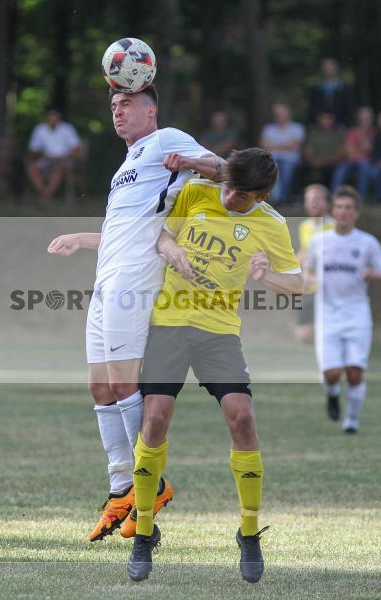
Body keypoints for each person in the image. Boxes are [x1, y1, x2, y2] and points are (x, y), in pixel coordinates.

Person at [47, 85, 225, 543]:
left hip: (136, 279)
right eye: (112, 105)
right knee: (100, 386)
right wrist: (80, 238)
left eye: (126, 104)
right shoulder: (124, 167)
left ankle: (152, 485)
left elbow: (226, 170)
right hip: (107, 278)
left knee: (125, 382)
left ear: (151, 109)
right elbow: (121, 231)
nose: (117, 112)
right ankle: (121, 488)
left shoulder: (167, 139)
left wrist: (187, 163)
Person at [126, 148, 302, 583]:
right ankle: (144, 530)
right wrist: (172, 252)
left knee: (242, 418)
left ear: (259, 198)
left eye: (240, 195)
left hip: (219, 330)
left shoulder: (272, 225)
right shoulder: (197, 191)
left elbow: (298, 285)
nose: (228, 198)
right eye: (227, 186)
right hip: (169, 321)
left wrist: (266, 278)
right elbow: (161, 235)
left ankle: (248, 532)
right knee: (155, 421)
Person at [306, 186, 381, 433]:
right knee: (332, 373)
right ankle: (332, 394)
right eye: (338, 207)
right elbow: (307, 269)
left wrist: (374, 274)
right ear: (332, 211)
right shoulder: (318, 241)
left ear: (356, 213)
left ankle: (352, 422)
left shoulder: (367, 243)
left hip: (357, 315)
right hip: (327, 316)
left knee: (355, 372)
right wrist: (306, 279)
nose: (342, 212)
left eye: (348, 208)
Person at [294, 184, 334, 343]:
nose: (313, 203)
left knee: (326, 333)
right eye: (309, 200)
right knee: (303, 336)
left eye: (317, 200)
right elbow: (304, 253)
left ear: (327, 203)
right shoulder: (304, 227)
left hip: (328, 289)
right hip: (309, 287)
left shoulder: (336, 228)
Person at [25, 108, 82, 203]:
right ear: (46, 119)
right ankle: (44, 194)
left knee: (58, 170)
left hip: (63, 159)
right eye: (50, 119)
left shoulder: (67, 129)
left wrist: (65, 156)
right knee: (31, 168)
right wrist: (40, 154)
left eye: (54, 119)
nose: (52, 121)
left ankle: (44, 197)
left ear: (59, 119)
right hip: (46, 159)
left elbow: (77, 149)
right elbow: (34, 149)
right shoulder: (40, 129)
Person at [259, 103, 305, 204]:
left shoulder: (297, 127)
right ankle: (276, 198)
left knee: (285, 168)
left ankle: (282, 198)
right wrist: (285, 145)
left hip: (290, 159)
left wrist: (274, 145)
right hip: (272, 159)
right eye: (277, 114)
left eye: (282, 114)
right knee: (271, 167)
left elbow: (294, 146)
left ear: (288, 114)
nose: (280, 116)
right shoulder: (268, 128)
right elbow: (264, 146)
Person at [330, 106, 375, 200]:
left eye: (367, 118)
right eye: (363, 118)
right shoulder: (352, 132)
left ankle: (361, 198)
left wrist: (362, 136)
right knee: (340, 170)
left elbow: (369, 150)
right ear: (358, 119)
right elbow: (349, 150)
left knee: (364, 166)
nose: (365, 120)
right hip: (350, 160)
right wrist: (361, 151)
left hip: (365, 161)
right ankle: (334, 196)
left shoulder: (373, 133)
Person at [302, 111, 346, 188]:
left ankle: (334, 195)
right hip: (315, 163)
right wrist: (314, 161)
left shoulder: (339, 135)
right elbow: (308, 151)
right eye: (324, 118)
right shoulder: (313, 134)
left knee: (339, 169)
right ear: (319, 119)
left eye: (329, 118)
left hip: (333, 164)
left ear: (333, 120)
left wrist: (326, 161)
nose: (326, 121)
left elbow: (341, 153)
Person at [308, 58, 355, 127]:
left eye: (331, 68)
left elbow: (350, 110)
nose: (329, 71)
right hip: (320, 129)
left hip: (341, 128)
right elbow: (312, 110)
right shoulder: (316, 90)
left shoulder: (346, 90)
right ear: (322, 70)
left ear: (336, 69)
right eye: (326, 69)